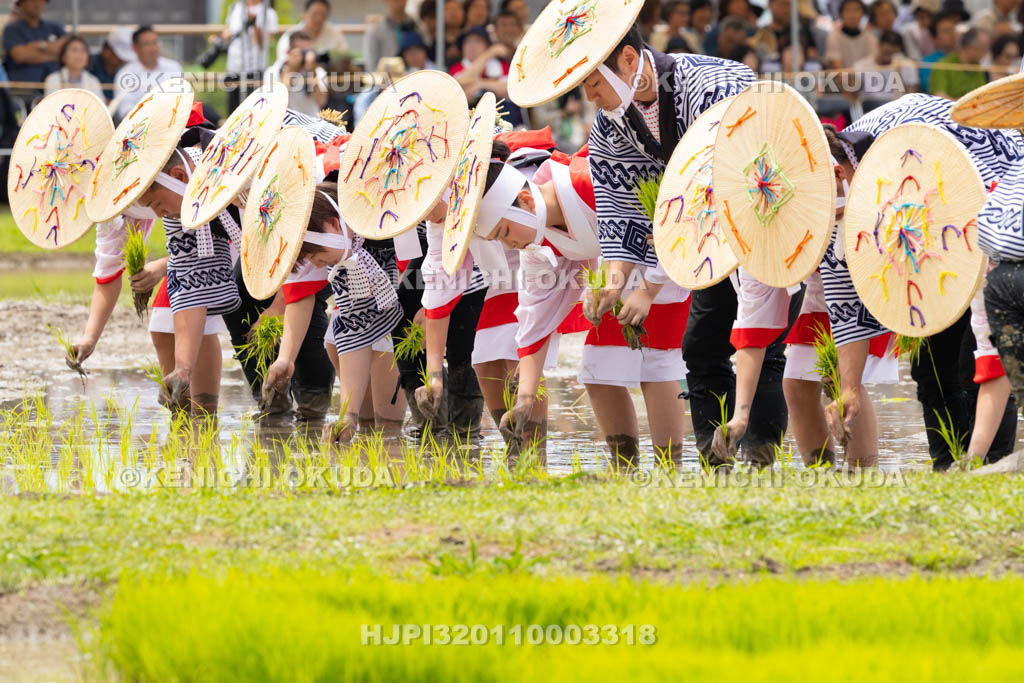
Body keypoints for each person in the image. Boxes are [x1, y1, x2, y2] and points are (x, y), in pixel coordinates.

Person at [511, 11, 758, 465]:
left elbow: (699, 194)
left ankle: (761, 461)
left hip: (758, 214)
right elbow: (620, 208)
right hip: (696, 244)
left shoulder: (707, 89)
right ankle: (715, 464)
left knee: (759, 342)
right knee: (702, 349)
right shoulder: (610, 125)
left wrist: (646, 286)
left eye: (594, 83)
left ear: (629, 59)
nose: (590, 96)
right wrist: (616, 278)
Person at [296, 184, 404, 443]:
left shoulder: (389, 223)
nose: (316, 264)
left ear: (334, 224)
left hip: (402, 324)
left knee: (388, 427)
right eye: (308, 259)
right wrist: (349, 415)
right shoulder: (346, 257)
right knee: (366, 426)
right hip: (361, 332)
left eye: (315, 254)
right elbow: (353, 330)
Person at [113, 27, 183, 123]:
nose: (153, 48)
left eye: (155, 43)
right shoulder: (125, 74)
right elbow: (124, 110)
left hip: (172, 121)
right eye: (147, 44)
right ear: (135, 48)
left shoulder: (173, 67)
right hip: (139, 127)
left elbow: (181, 100)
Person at [223, 0, 279, 113]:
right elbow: (227, 33)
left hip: (255, 69)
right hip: (234, 67)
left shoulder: (268, 13)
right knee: (232, 111)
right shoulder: (235, 7)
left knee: (254, 110)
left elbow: (265, 44)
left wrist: (253, 24)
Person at [2, 0, 66, 97]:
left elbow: (67, 49)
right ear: (22, 4)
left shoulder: (55, 27)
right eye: (32, 0)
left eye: (41, 0)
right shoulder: (11, 29)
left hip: (57, 87)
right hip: (24, 90)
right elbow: (19, 56)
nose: (37, 3)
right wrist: (54, 52)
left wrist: (40, 46)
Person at [852, 30, 919, 110]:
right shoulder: (860, 67)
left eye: (894, 53)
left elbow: (911, 96)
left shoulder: (907, 66)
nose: (889, 57)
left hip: (897, 110)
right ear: (879, 45)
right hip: (869, 111)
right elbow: (851, 94)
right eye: (886, 52)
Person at [266, 31, 328, 116]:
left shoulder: (318, 72)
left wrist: (312, 73)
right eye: (302, 51)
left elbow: (321, 101)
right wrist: (290, 71)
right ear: (288, 52)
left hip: (311, 124)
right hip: (285, 123)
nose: (305, 56)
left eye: (308, 51)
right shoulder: (273, 72)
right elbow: (276, 103)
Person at [753, 0, 819, 71]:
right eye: (783, 4)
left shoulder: (801, 29)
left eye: (790, 5)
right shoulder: (762, 33)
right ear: (770, 5)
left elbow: (813, 53)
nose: (787, 9)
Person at [277, 0, 350, 64]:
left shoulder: (335, 34)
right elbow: (282, 61)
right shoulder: (291, 35)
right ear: (305, 14)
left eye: (323, 14)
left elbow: (345, 57)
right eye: (315, 14)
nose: (319, 18)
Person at [450, 27, 509, 104]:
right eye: (467, 42)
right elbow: (458, 84)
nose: (472, 46)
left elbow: (509, 89)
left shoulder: (501, 65)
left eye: (477, 41)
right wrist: (489, 53)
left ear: (487, 45)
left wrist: (479, 84)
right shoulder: (457, 68)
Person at [929, 27, 990, 99]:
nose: (986, 54)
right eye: (984, 49)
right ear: (972, 47)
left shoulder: (977, 68)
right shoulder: (943, 66)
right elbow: (939, 97)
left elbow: (981, 97)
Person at [44, 35, 105, 100]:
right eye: (74, 50)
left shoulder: (93, 81)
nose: (79, 55)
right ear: (63, 56)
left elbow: (99, 107)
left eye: (83, 50)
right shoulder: (53, 79)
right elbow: (50, 107)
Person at [824, 0, 879, 70]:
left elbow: (873, 64)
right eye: (848, 10)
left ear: (863, 13)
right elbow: (838, 69)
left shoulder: (871, 37)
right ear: (841, 14)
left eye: (856, 10)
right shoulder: (833, 37)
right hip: (843, 79)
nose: (852, 14)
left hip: (866, 78)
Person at [364, 0, 415, 72]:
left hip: (415, 79)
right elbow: (371, 68)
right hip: (386, 80)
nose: (400, 2)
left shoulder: (417, 27)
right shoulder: (375, 32)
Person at [919, 10, 960, 93]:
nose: (952, 34)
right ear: (934, 38)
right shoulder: (927, 63)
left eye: (953, 29)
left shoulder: (965, 59)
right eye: (946, 31)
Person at [89, 27, 133, 99]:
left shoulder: (126, 69)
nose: (122, 60)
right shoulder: (88, 65)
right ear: (106, 50)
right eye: (118, 56)